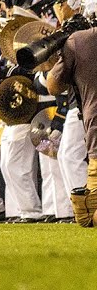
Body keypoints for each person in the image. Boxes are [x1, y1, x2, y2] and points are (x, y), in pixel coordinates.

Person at [46, 21, 97, 227]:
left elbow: (53, 85)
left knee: (88, 216)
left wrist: (62, 54)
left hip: (87, 120)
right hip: (83, 120)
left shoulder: (79, 40)